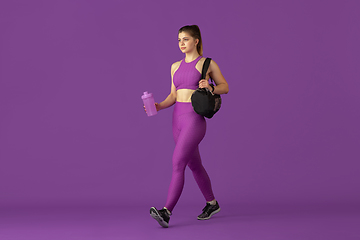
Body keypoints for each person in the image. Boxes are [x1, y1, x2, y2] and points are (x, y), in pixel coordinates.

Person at [145, 25, 229, 228]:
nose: (181, 43)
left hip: (194, 120)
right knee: (194, 165)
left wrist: (210, 86)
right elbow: (173, 96)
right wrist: (158, 105)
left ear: (196, 40)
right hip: (177, 119)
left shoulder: (207, 64)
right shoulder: (175, 66)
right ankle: (212, 203)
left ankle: (166, 212)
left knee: (177, 162)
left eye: (185, 39)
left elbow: (225, 87)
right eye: (179, 40)